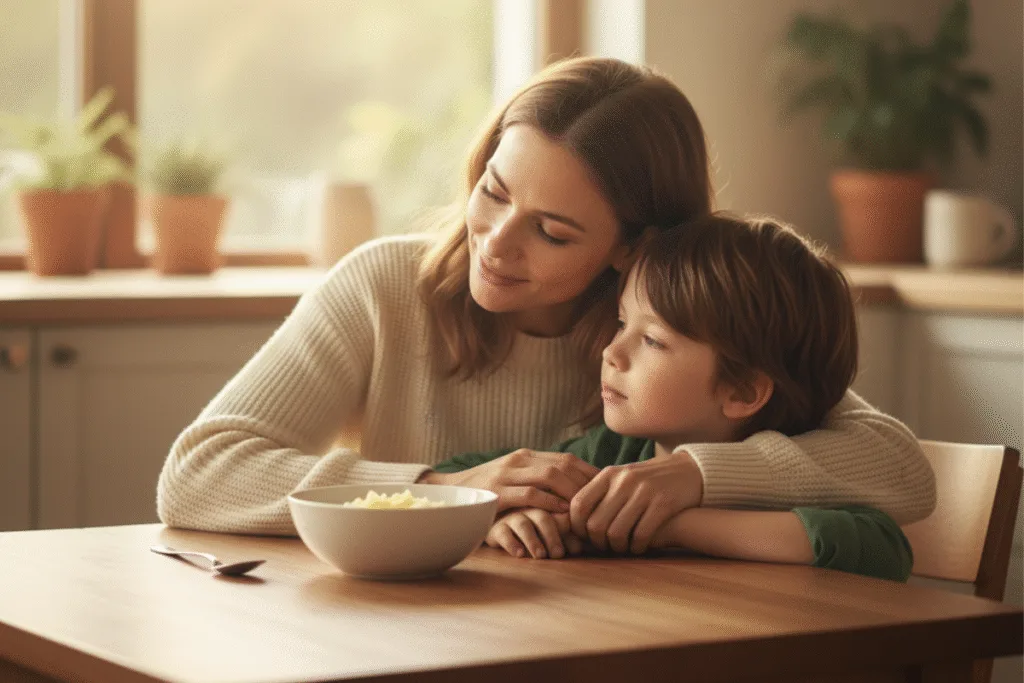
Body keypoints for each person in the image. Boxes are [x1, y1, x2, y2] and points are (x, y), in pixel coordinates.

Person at [156, 56, 935, 541]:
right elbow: (198, 474)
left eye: (553, 232)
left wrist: (697, 475)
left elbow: (898, 466)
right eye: (493, 191)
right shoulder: (384, 287)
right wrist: (443, 491)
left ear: (631, 245)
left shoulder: (668, 331)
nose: (495, 243)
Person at [432, 214, 913, 581]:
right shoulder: (615, 457)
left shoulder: (800, 476)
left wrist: (671, 525)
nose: (612, 352)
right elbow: (477, 471)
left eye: (653, 341)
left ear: (743, 391)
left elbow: (880, 547)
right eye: (623, 324)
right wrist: (506, 516)